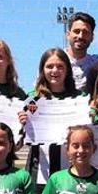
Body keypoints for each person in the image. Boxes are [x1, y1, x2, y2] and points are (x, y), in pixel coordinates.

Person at [25, 48, 81, 185]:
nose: (55, 70)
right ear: (42, 70)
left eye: (60, 66)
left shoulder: (79, 99)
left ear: (67, 70)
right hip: (38, 170)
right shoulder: (32, 98)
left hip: (70, 170)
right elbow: (23, 139)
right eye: (49, 66)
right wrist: (23, 124)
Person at [64, 12, 98, 94]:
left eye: (85, 32)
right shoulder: (54, 62)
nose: (80, 36)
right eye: (76, 31)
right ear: (68, 35)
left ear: (92, 37)